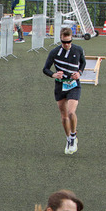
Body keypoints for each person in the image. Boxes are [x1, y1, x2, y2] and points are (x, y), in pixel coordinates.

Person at [42, 27, 86, 155]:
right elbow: (45, 69)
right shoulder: (54, 52)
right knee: (64, 116)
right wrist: (54, 75)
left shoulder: (78, 50)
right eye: (64, 42)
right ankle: (68, 139)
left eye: (69, 42)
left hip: (73, 85)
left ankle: (73, 136)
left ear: (72, 39)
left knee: (71, 112)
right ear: (60, 40)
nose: (66, 44)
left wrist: (79, 73)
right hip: (60, 86)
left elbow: (83, 63)